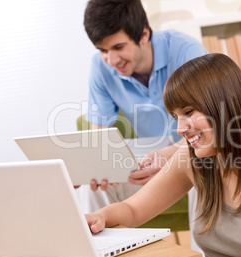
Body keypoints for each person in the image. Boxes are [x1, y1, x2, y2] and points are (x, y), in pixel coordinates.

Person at [85, 53, 241, 257]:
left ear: (226, 106)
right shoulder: (192, 160)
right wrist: (100, 216)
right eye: (175, 117)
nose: (180, 129)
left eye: (189, 112)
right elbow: (133, 211)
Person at [76, 0, 207, 214]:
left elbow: (209, 124)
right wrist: (93, 167)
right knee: (96, 186)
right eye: (103, 50)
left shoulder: (186, 51)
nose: (111, 59)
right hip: (149, 157)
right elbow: (99, 138)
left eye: (119, 47)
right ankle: (105, 247)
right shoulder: (100, 67)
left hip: (193, 148)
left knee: (199, 163)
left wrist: (172, 153)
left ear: (144, 35)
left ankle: (202, 250)